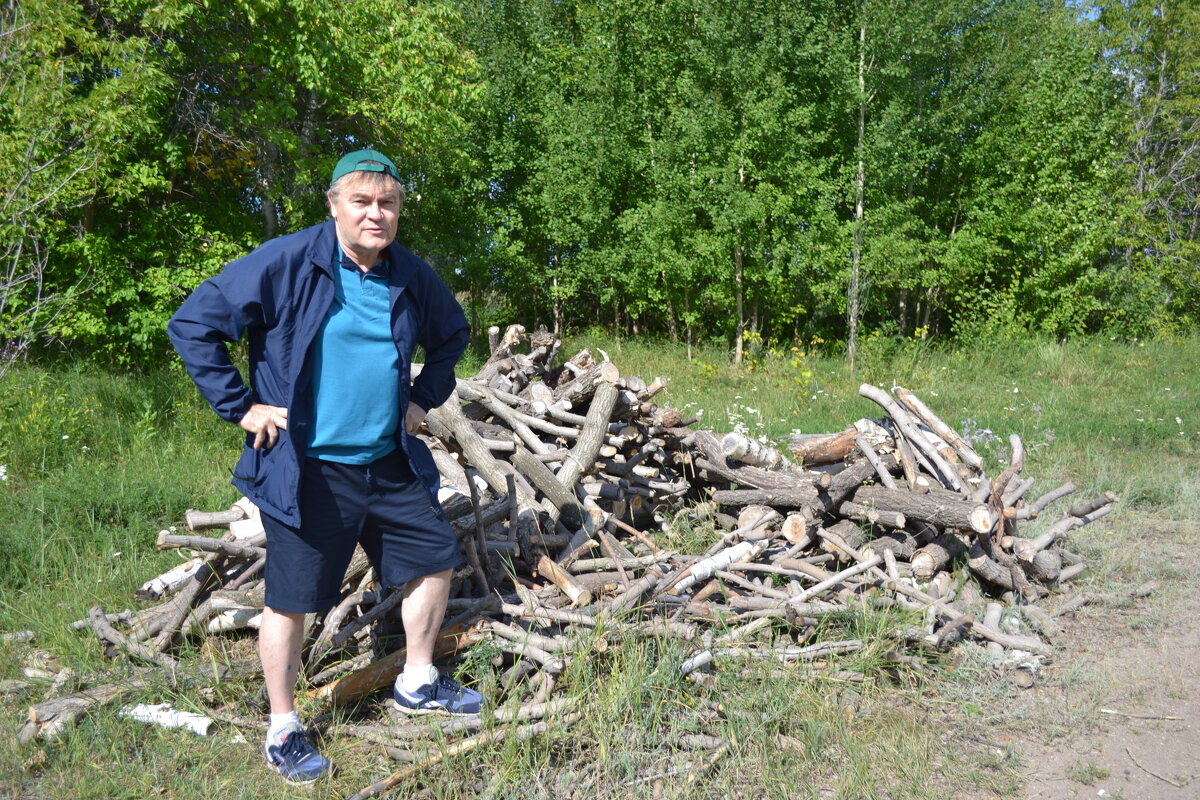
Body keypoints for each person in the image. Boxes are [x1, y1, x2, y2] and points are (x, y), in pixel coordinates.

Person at [168, 148, 479, 784]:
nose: (375, 214)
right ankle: (283, 726)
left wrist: (422, 399)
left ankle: (416, 680)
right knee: (291, 599)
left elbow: (453, 335)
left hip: (387, 458)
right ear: (334, 204)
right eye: (361, 202)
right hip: (306, 467)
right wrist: (242, 407)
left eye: (387, 203)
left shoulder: (408, 274)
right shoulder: (287, 262)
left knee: (433, 557)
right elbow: (193, 323)